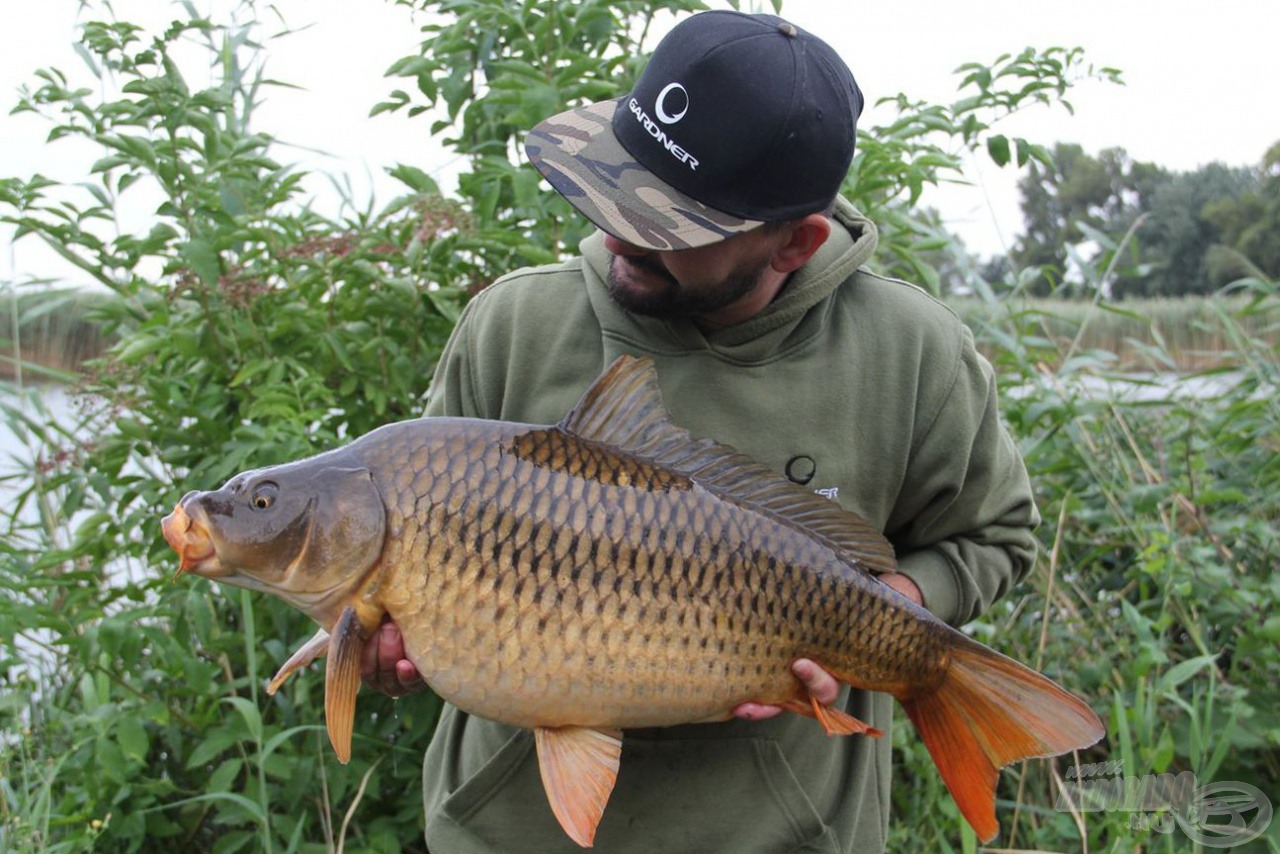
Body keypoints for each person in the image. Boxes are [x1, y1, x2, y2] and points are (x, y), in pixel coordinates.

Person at [361, 10, 1039, 852]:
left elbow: (993, 535)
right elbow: (395, 540)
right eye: (614, 188)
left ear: (796, 242)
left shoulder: (911, 353)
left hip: (782, 834)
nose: (617, 233)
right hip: (505, 833)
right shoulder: (512, 325)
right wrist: (381, 638)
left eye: (665, 225)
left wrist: (884, 615)